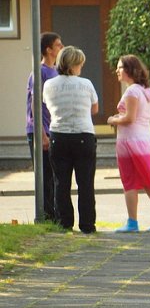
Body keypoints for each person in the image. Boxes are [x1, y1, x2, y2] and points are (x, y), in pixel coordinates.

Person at [107, 55, 150, 233]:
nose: (117, 71)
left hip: (129, 142)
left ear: (129, 70)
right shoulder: (145, 90)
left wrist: (114, 119)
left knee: (129, 181)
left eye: (120, 68)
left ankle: (132, 222)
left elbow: (129, 118)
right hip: (144, 141)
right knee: (149, 180)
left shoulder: (131, 91)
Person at [42, 46, 98, 234]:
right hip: (83, 135)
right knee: (85, 183)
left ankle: (65, 223)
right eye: (80, 63)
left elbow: (47, 105)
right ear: (74, 64)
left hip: (58, 135)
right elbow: (94, 109)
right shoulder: (86, 84)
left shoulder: (49, 85)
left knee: (61, 183)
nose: (82, 66)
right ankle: (87, 225)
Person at [25, 31, 63, 222]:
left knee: (54, 175)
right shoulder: (39, 71)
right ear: (48, 49)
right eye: (58, 45)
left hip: (54, 129)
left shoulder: (56, 71)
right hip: (41, 132)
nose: (61, 47)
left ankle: (54, 216)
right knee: (45, 176)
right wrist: (42, 135)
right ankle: (46, 217)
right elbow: (35, 104)